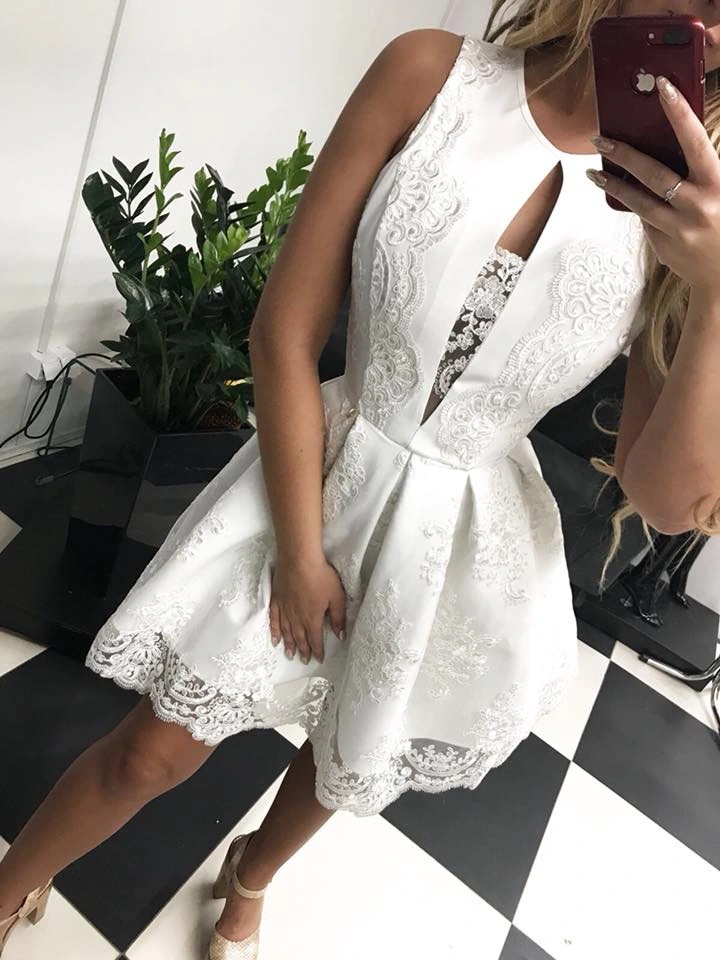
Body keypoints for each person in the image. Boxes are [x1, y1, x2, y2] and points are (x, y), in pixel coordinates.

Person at [3, 2, 720, 957]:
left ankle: (252, 873)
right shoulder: (430, 74)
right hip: (318, 468)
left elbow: (667, 500)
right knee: (151, 750)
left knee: (347, 744)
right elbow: (284, 329)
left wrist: (714, 288)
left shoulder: (695, 216)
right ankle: (14, 882)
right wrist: (301, 553)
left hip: (464, 535)